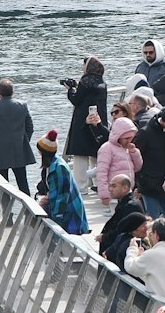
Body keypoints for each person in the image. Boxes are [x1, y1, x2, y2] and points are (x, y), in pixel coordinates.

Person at [61, 58, 110, 196]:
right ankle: (98, 185)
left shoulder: (85, 82)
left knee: (80, 157)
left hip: (82, 124)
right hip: (98, 123)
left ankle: (81, 188)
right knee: (96, 154)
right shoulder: (102, 83)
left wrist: (70, 89)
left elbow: (77, 100)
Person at [0, 80, 35, 193]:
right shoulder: (22, 106)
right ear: (12, 92)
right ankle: (28, 209)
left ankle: (5, 209)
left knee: (3, 186)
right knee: (23, 183)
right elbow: (30, 127)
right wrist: (24, 142)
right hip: (18, 150)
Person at [96, 176, 148, 269]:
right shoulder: (124, 203)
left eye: (114, 186)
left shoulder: (131, 206)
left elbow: (122, 229)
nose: (110, 189)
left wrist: (105, 237)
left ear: (125, 188)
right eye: (110, 186)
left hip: (123, 253)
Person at [95, 116, 144, 208]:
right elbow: (101, 173)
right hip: (113, 193)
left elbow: (137, 167)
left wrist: (134, 153)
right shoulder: (107, 148)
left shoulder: (128, 149)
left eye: (131, 138)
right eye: (126, 138)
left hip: (128, 191)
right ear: (118, 136)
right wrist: (104, 194)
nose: (129, 141)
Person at [39, 156, 88, 236]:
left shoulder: (59, 167)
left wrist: (57, 215)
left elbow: (63, 194)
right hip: (61, 207)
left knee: (68, 239)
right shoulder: (52, 164)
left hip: (68, 210)